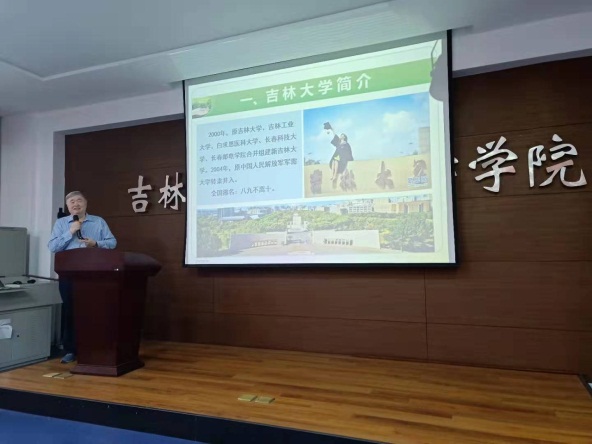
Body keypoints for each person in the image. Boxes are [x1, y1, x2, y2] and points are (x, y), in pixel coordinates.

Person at [48, 191, 117, 364]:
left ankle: (95, 347)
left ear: (86, 203)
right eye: (71, 202)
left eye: (79, 200)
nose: (75, 204)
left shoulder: (98, 222)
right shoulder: (61, 223)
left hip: (94, 273)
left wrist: (96, 243)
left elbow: (112, 243)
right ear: (68, 206)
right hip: (69, 273)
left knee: (94, 309)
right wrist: (70, 232)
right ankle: (71, 349)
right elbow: (53, 246)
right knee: (70, 310)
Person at [324, 122, 354, 188]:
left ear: (344, 137)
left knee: (336, 161)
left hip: (342, 158)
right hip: (337, 156)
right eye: (341, 135)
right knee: (334, 161)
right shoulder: (338, 142)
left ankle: (335, 176)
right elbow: (334, 134)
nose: (341, 136)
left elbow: (348, 151)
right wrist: (332, 129)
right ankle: (332, 175)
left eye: (342, 135)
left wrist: (347, 158)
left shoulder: (346, 144)